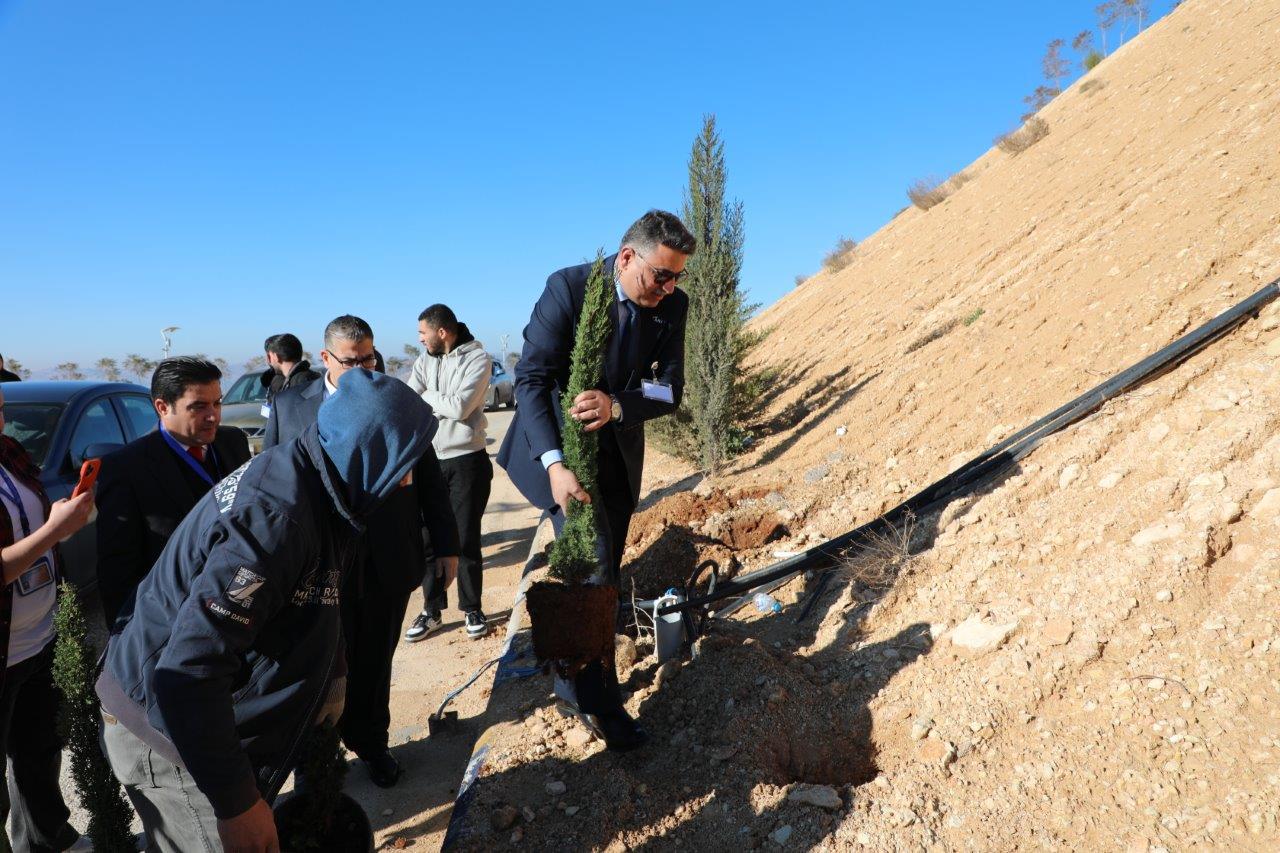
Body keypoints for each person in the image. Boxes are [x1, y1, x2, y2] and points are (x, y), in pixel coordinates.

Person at [97, 369, 438, 852]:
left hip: (199, 722)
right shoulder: (278, 518)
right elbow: (188, 671)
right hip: (168, 733)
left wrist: (332, 670)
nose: (406, 479)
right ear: (368, 452)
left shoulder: (328, 485)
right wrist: (237, 804)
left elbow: (319, 591)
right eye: (403, 463)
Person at [497, 209, 694, 751]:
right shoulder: (568, 288)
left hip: (618, 460)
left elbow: (669, 392)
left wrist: (619, 405)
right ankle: (600, 705)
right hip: (561, 458)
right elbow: (532, 381)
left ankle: (568, 677)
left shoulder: (671, 305)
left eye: (677, 277)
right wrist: (555, 466)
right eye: (660, 275)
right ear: (627, 258)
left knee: (601, 570)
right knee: (595, 572)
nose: (668, 287)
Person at [265, 315, 459, 787]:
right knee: (320, 664)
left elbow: (430, 482)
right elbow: (274, 480)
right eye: (350, 361)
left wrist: (446, 546)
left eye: (369, 358)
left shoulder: (396, 400)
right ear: (326, 358)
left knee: (374, 661)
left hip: (386, 560)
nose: (362, 368)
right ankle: (319, 761)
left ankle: (372, 744)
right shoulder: (291, 406)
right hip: (319, 565)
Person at [0, 383, 94, 851]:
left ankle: (46, 840)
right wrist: (56, 531)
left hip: (38, 637)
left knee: (38, 753)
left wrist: (59, 519)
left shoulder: (9, 454)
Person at [95, 357, 251, 629]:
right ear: (162, 407)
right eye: (198, 407)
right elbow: (118, 570)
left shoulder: (233, 442)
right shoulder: (126, 469)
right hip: (177, 621)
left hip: (239, 607)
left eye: (217, 403)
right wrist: (127, 638)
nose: (213, 415)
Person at [404, 303, 494, 642]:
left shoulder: (478, 359)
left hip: (467, 460)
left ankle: (471, 607)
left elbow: (461, 407)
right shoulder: (424, 360)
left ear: (442, 332)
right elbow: (410, 400)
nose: (420, 339)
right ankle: (432, 610)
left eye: (423, 333)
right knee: (428, 539)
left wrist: (428, 395)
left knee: (465, 538)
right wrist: (433, 399)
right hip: (428, 459)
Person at [258, 333, 320, 408]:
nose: (268, 360)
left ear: (276, 356)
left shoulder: (303, 381)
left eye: (269, 356)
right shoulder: (307, 379)